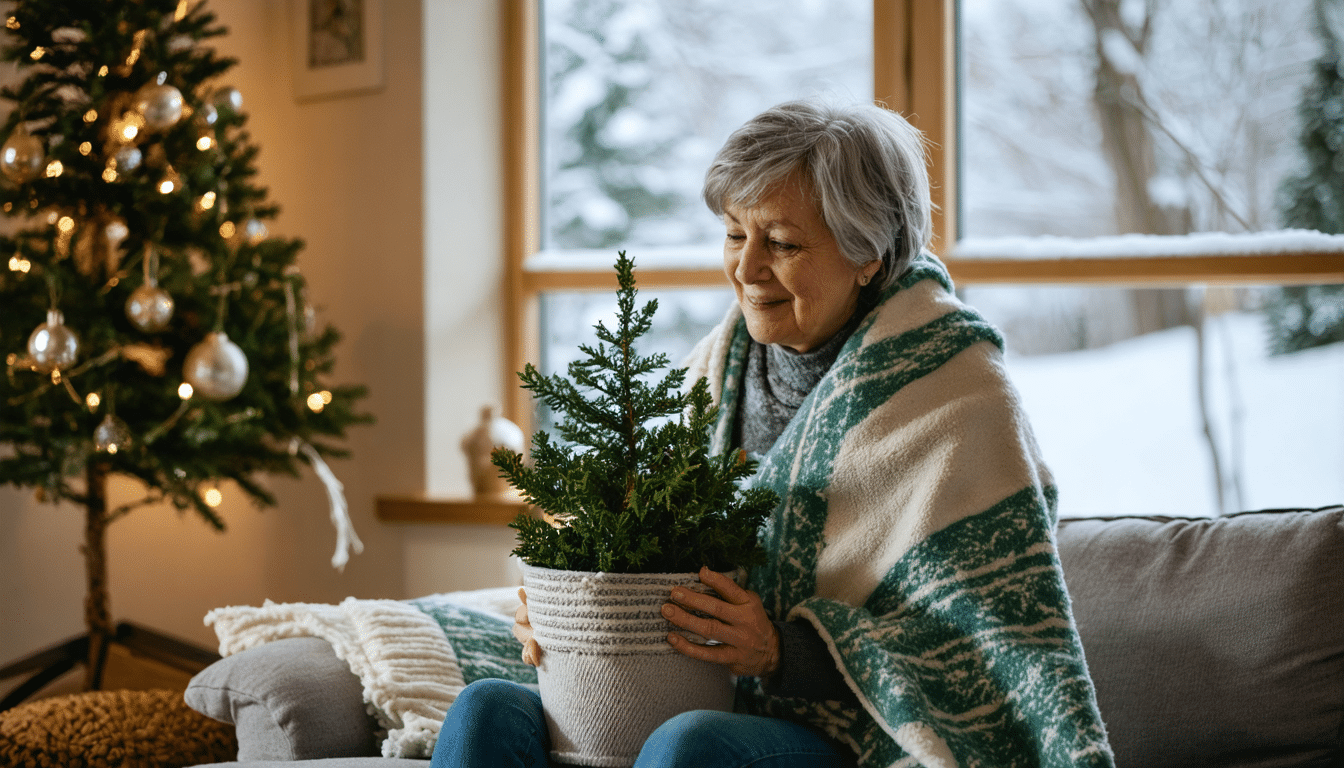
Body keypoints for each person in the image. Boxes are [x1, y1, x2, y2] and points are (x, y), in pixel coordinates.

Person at [431, 99, 1114, 768]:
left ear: (867, 254)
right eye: (734, 234)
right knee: (486, 707)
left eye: (782, 243)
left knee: (692, 746)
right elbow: (644, 556)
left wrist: (783, 651)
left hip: (855, 734)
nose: (747, 268)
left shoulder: (955, 393)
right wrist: (571, 616)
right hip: (681, 694)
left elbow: (977, 655)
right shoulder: (713, 370)